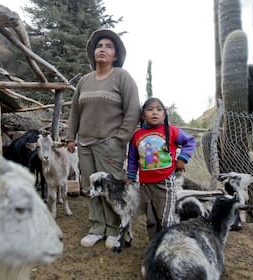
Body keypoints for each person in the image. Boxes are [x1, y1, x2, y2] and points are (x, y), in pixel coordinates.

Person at [66, 29, 140, 249]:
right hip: (85, 144)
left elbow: (133, 109)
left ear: (115, 55)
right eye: (99, 46)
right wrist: (71, 137)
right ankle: (97, 227)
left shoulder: (122, 77)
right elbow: (75, 113)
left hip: (110, 143)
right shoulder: (84, 81)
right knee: (92, 188)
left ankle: (115, 229)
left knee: (113, 189)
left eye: (108, 46)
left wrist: (120, 138)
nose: (103, 49)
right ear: (93, 52)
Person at [126, 97, 196, 241]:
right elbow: (133, 158)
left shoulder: (171, 131)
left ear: (164, 114)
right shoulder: (137, 135)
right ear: (143, 115)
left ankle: (169, 244)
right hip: (145, 184)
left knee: (165, 219)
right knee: (151, 219)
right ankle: (155, 244)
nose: (154, 113)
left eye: (159, 109)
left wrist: (182, 159)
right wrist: (131, 175)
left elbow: (190, 141)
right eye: (150, 109)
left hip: (165, 183)